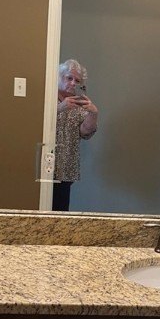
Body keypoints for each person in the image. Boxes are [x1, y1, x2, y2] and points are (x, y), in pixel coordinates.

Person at [53, 59, 98, 211]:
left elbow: (85, 132)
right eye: (69, 78)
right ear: (60, 77)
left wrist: (93, 113)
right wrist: (60, 107)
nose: (73, 83)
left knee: (60, 212)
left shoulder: (78, 105)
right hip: (45, 165)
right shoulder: (47, 97)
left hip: (66, 167)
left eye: (77, 81)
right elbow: (36, 122)